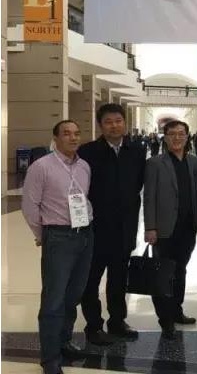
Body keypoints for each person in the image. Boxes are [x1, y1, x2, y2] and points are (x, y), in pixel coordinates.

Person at [22, 120, 94, 374]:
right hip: (59, 237)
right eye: (67, 134)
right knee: (53, 300)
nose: (73, 138)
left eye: (77, 133)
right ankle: (50, 359)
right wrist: (43, 234)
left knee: (73, 295)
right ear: (55, 138)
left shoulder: (84, 166)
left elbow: (84, 198)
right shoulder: (41, 167)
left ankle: (64, 342)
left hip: (85, 234)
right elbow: (30, 205)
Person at [79, 104, 146, 346]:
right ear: (100, 126)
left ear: (125, 123)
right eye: (108, 122)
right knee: (90, 281)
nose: (114, 126)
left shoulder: (136, 151)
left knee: (118, 280)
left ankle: (117, 321)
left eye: (118, 121)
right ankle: (94, 326)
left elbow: (138, 186)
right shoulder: (87, 152)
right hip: (96, 229)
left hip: (124, 228)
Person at [144, 120, 197, 340]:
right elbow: (149, 197)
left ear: (187, 137)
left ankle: (177, 310)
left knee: (181, 270)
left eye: (181, 134)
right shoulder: (155, 163)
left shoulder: (195, 162)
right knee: (163, 275)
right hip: (164, 229)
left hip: (188, 227)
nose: (177, 138)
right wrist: (150, 227)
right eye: (172, 134)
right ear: (165, 137)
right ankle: (166, 320)